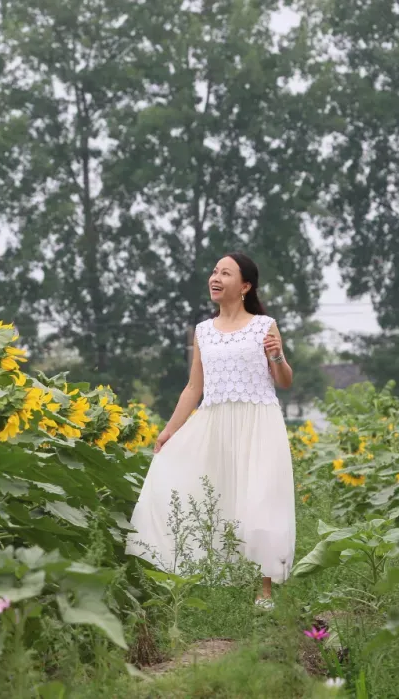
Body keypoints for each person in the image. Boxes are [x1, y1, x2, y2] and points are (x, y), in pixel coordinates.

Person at [126, 252, 295, 608]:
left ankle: (264, 592)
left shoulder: (264, 326)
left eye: (226, 273)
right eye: (215, 272)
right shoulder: (203, 332)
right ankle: (207, 577)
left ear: (245, 286)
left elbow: (283, 381)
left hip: (259, 423)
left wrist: (278, 356)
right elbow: (193, 388)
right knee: (212, 496)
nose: (215, 278)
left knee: (261, 502)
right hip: (214, 424)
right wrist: (169, 431)